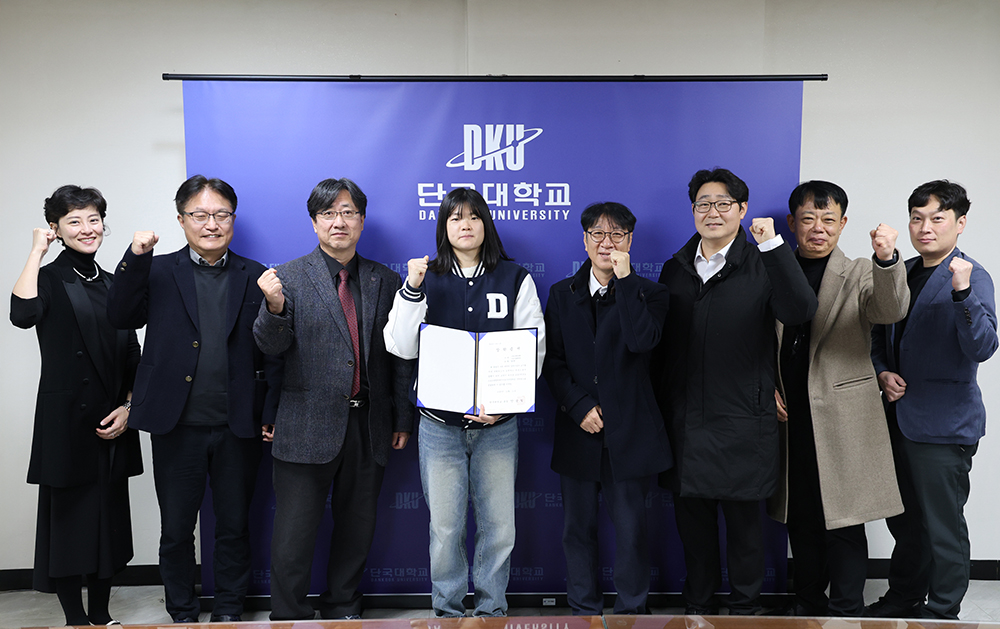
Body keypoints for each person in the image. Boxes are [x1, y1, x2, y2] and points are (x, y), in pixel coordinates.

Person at [106, 175, 280, 623]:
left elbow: (272, 350)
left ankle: (229, 611)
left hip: (238, 424)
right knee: (177, 529)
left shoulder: (255, 274)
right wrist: (135, 257)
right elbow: (120, 315)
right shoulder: (157, 269)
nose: (211, 224)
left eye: (221, 215)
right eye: (200, 215)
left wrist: (270, 411)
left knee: (234, 526)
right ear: (181, 219)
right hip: (175, 424)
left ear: (234, 220)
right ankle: (182, 613)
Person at [654, 168, 817, 615]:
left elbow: (800, 309)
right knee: (694, 530)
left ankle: (746, 611)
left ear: (742, 210)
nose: (713, 212)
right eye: (703, 204)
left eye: (724, 203)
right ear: (692, 211)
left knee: (745, 531)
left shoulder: (764, 261)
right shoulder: (675, 268)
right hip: (686, 420)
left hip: (743, 418)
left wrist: (773, 246)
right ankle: (698, 608)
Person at [253, 178, 414, 620]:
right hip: (304, 423)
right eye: (328, 213)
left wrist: (402, 417)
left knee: (357, 526)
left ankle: (343, 605)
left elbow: (399, 355)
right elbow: (269, 346)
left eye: (348, 212)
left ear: (361, 220)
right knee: (294, 531)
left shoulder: (385, 280)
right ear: (314, 222)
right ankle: (288, 614)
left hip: (369, 423)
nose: (338, 221)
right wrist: (274, 307)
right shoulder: (286, 277)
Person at [384, 187, 545, 617]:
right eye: (455, 218)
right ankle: (448, 612)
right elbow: (400, 346)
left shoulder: (515, 278)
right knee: (445, 527)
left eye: (474, 216)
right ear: (444, 226)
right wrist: (412, 288)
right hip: (439, 426)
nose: (466, 225)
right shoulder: (425, 277)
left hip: (497, 427)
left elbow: (534, 348)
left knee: (499, 526)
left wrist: (505, 403)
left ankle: (492, 611)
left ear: (485, 223)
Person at [766, 181, 908, 616]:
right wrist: (766, 386)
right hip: (788, 414)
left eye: (828, 220)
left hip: (843, 414)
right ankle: (807, 602)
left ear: (843, 223)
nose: (818, 228)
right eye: (808, 219)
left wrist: (887, 260)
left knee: (844, 519)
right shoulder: (774, 267)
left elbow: (889, 310)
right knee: (800, 515)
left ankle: (846, 609)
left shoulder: (861, 270)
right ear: (792, 223)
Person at [10, 185, 142, 626]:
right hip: (66, 422)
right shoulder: (49, 276)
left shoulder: (114, 282)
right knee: (69, 524)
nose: (87, 229)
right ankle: (75, 620)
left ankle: (102, 616)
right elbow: (22, 315)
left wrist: (129, 408)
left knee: (107, 522)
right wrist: (37, 251)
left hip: (111, 420)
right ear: (56, 228)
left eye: (93, 219)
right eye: (74, 221)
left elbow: (132, 354)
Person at [869, 180, 997, 620]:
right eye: (917, 218)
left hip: (944, 425)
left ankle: (943, 609)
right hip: (897, 418)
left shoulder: (973, 275)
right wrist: (882, 371)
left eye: (937, 218)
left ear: (960, 223)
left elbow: (982, 346)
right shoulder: (901, 271)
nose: (925, 228)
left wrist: (962, 292)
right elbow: (878, 336)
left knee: (943, 525)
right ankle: (904, 596)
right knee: (905, 522)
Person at [543, 201, 672, 615]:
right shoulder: (561, 294)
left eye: (617, 234)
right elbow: (552, 361)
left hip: (630, 430)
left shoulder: (652, 293)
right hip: (578, 428)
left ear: (630, 241)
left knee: (631, 530)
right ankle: (583, 608)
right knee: (576, 529)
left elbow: (641, 342)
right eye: (597, 233)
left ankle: (631, 611)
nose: (606, 242)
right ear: (584, 240)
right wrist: (579, 406)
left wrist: (626, 281)